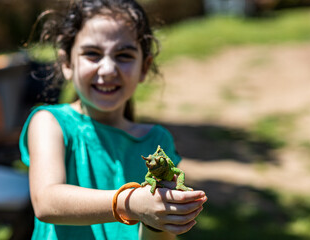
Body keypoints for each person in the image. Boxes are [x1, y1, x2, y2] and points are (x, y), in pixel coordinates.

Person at [19, 0, 207, 239]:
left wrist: (160, 218)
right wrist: (130, 203)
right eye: (92, 54)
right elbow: (46, 202)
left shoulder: (158, 140)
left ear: (144, 67)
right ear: (67, 63)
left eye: (124, 55)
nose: (107, 69)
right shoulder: (50, 123)